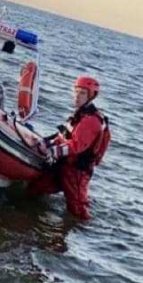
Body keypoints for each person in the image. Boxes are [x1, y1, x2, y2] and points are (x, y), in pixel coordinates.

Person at [28, 75, 111, 220]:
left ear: (91, 96)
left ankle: (87, 233)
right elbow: (64, 136)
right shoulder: (79, 115)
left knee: (78, 211)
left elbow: (75, 146)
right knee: (36, 189)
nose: (77, 96)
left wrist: (50, 151)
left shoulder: (91, 121)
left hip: (77, 172)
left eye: (82, 93)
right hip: (63, 165)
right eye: (76, 92)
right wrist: (46, 143)